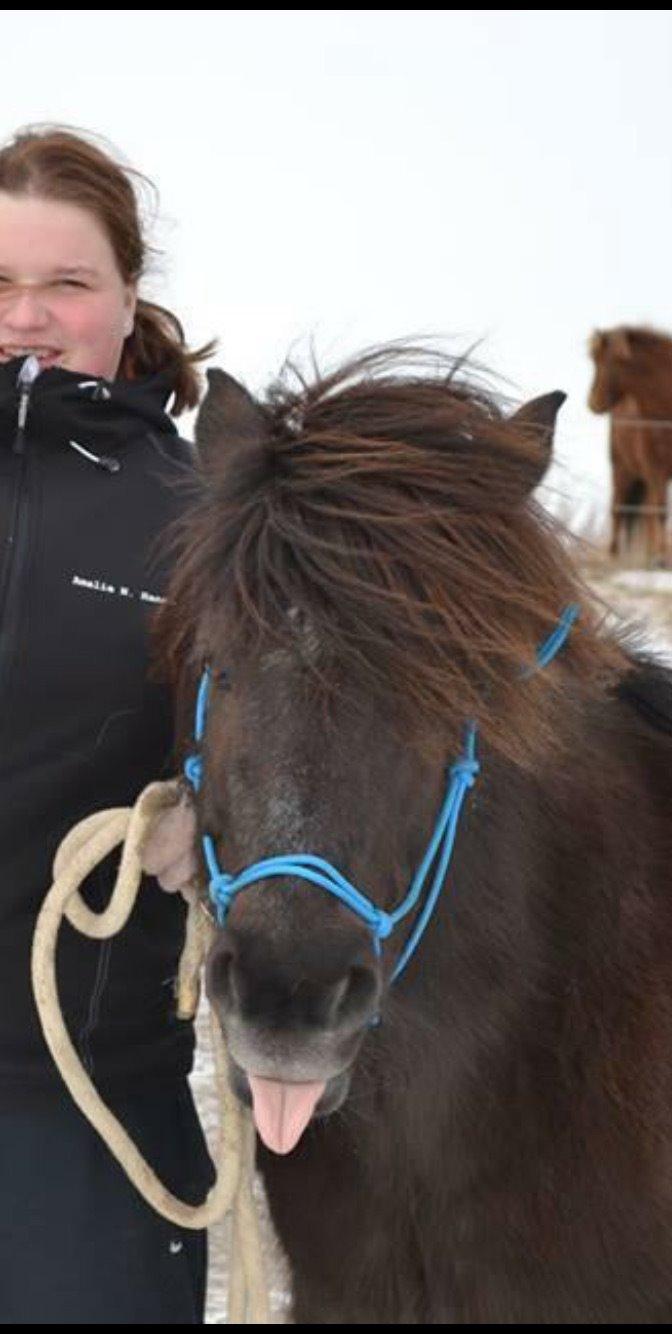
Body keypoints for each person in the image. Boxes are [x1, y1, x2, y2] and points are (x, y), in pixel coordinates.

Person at [0, 125, 214, 1324]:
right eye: (0, 285)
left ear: (129, 298)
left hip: (86, 1105)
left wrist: (214, 812)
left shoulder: (204, 521)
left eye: (66, 284)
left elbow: (305, 754)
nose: (28, 317)